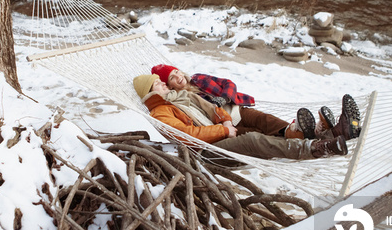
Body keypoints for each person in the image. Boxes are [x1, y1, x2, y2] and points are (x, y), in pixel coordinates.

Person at [133, 74, 360, 161]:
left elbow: (211, 108)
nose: (163, 83)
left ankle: (333, 133)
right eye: (158, 83)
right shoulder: (160, 112)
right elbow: (187, 135)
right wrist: (224, 130)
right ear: (149, 92)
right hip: (205, 153)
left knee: (261, 128)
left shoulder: (180, 96)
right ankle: (315, 148)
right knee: (253, 139)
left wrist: (225, 121)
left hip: (220, 134)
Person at [150, 64, 358, 141]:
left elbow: (228, 83)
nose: (178, 77)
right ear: (169, 86)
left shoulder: (199, 79)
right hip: (223, 124)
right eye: (172, 79)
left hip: (236, 109)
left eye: (176, 72)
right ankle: (324, 133)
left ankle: (309, 132)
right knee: (258, 135)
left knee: (266, 120)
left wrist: (226, 97)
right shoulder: (179, 100)